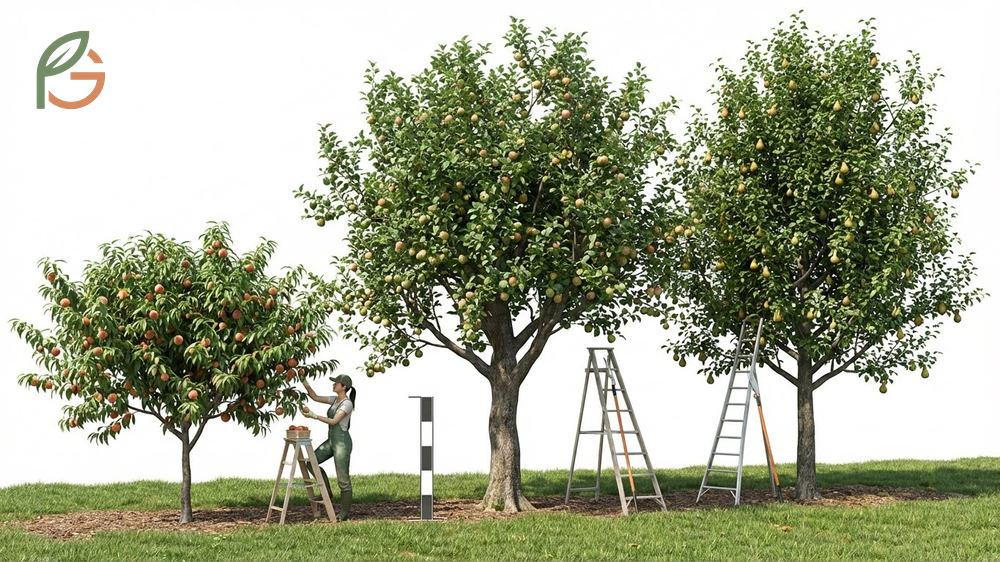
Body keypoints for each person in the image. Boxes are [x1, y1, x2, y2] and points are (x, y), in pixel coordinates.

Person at [302, 374, 355, 521]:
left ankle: (343, 514)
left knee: (343, 480)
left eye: (336, 383)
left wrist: (313, 416)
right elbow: (314, 396)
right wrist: (303, 380)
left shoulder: (346, 404)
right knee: (310, 462)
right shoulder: (334, 400)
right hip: (331, 441)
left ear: (343, 386)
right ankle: (327, 492)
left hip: (342, 443)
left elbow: (334, 421)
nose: (333, 385)